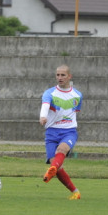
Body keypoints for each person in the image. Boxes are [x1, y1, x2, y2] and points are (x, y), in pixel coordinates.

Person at [40, 64, 83, 200]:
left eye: (63, 75)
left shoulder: (77, 95)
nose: (60, 77)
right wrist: (43, 116)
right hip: (51, 132)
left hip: (69, 131)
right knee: (57, 166)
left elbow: (75, 112)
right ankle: (75, 192)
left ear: (69, 76)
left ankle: (51, 169)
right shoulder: (49, 93)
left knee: (62, 150)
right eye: (57, 75)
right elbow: (45, 105)